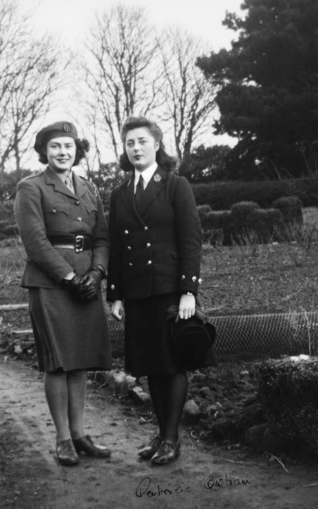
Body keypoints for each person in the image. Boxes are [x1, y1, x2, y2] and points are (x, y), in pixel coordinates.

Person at [14, 121, 112, 466]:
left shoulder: (89, 188)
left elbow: (101, 236)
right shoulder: (31, 187)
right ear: (45, 151)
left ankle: (81, 434)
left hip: (86, 284)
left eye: (68, 146)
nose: (62, 152)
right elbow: (35, 242)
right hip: (52, 284)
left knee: (80, 361)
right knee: (58, 363)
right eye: (55, 146)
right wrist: (70, 276)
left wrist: (97, 274)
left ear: (77, 150)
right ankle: (62, 439)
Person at [107, 116, 203, 465]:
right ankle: (162, 433)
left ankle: (171, 439)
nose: (136, 148)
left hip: (168, 289)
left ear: (157, 145)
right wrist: (115, 293)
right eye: (130, 143)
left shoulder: (176, 186)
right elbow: (117, 246)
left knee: (171, 363)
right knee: (150, 365)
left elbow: (191, 241)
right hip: (136, 292)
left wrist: (188, 291)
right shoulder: (119, 194)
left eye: (142, 141)